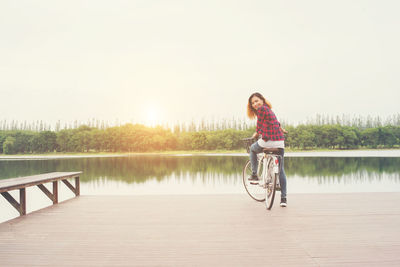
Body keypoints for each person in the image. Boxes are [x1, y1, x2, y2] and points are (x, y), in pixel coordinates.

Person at [247, 92, 288, 207]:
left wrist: (256, 133)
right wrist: (282, 130)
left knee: (253, 149)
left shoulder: (262, 110)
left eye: (256, 101)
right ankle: (283, 199)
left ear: (262, 100)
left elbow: (259, 124)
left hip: (268, 140)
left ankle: (254, 174)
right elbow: (277, 123)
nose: (255, 104)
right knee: (281, 170)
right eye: (253, 103)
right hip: (280, 142)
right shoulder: (269, 110)